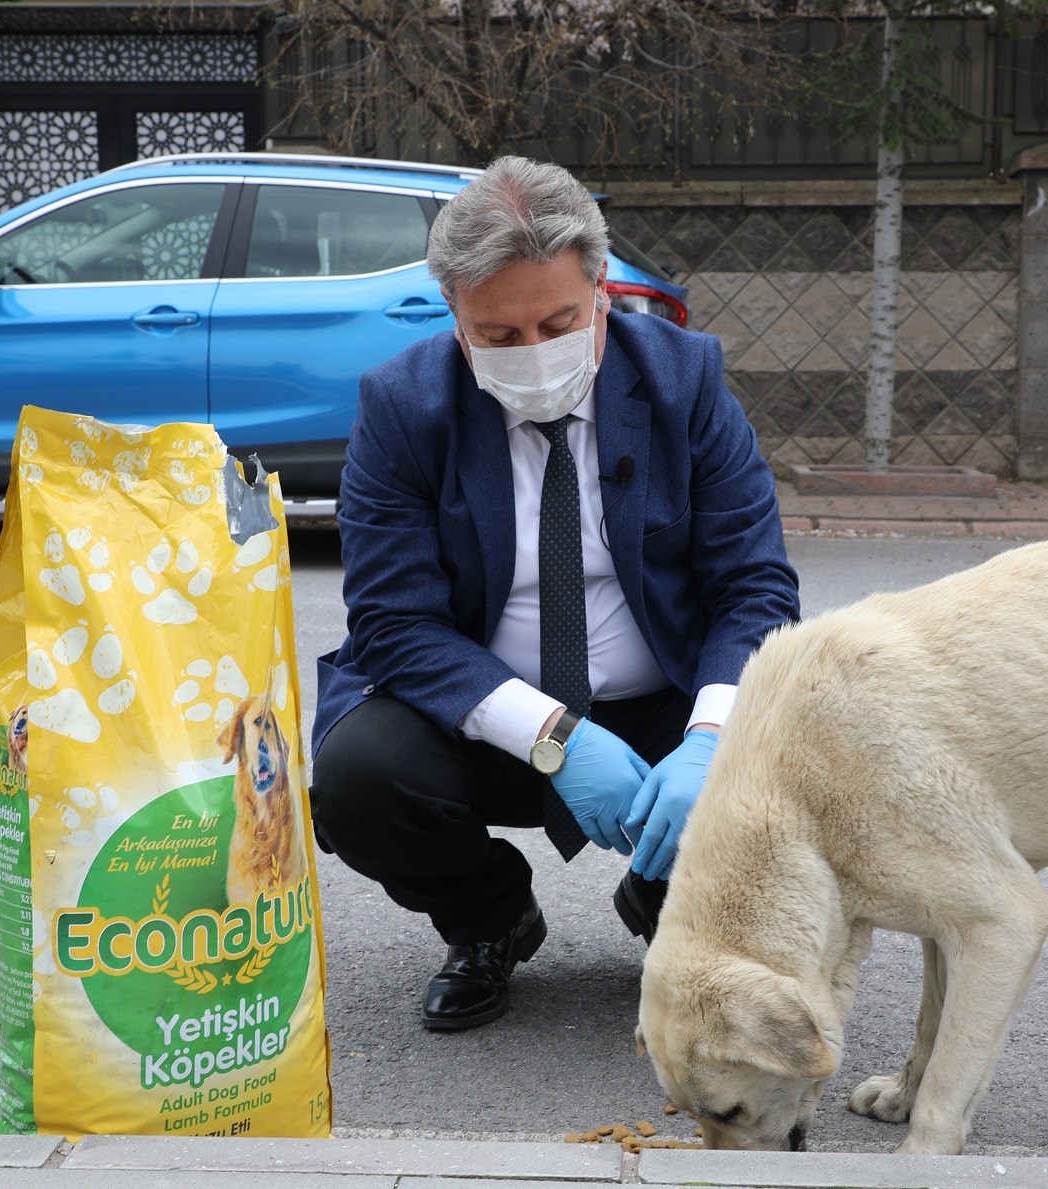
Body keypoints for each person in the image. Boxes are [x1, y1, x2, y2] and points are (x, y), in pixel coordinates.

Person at [309, 156, 799, 1031]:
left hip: (660, 706)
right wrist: (555, 739)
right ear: (455, 317)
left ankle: (668, 898)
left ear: (602, 292)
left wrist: (714, 738)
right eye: (498, 336)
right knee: (358, 778)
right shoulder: (401, 408)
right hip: (488, 712)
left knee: (786, 751)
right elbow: (394, 621)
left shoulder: (684, 383)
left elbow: (754, 586)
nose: (533, 354)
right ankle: (490, 917)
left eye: (559, 322)